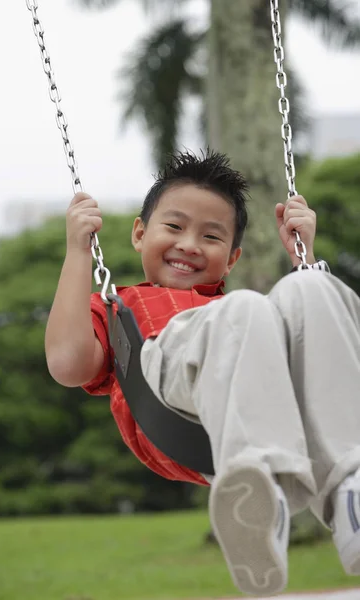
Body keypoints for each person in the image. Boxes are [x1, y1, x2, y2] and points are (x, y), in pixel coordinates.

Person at [45, 150, 360, 597]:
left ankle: (343, 494)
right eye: (173, 227)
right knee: (247, 307)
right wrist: (78, 251)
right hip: (161, 393)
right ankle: (260, 482)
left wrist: (302, 259)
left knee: (313, 287)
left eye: (211, 236)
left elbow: (305, 353)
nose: (190, 244)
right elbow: (67, 364)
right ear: (140, 233)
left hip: (248, 402)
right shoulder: (120, 309)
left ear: (231, 259)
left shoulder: (239, 314)